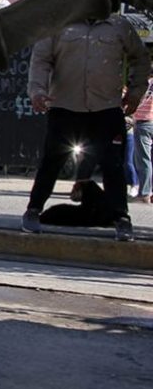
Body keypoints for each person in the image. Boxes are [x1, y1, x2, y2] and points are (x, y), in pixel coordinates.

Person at [22, 18, 149, 241]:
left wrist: (136, 91)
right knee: (51, 161)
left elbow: (140, 58)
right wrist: (37, 91)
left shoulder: (120, 26)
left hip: (106, 108)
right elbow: (41, 60)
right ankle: (33, 210)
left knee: (113, 165)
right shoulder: (57, 24)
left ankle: (121, 218)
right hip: (64, 105)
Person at [131, 75, 153, 203]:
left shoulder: (144, 84)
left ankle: (144, 193)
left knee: (144, 159)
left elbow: (138, 101)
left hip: (144, 122)